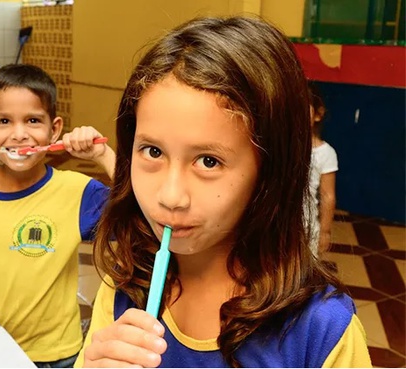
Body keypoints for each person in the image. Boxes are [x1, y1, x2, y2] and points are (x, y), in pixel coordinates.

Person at [75, 17, 371, 368]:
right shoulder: (125, 288)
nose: (170, 197)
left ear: (270, 172)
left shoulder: (322, 332)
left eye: (209, 161)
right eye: (152, 151)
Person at [0, 64, 115, 368]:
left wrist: (103, 156)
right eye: (4, 121)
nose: (19, 134)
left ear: (54, 130)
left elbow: (140, 212)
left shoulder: (77, 192)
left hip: (55, 355)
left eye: (32, 121)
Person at [307, 82, 338, 257]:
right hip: (276, 227)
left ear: (318, 114)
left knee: (303, 276)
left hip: (307, 228)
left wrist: (325, 231)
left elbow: (328, 195)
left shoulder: (326, 153)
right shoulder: (281, 147)